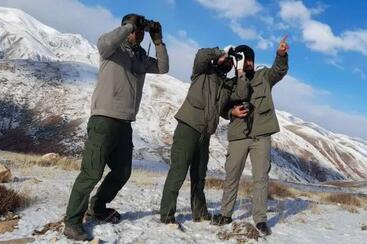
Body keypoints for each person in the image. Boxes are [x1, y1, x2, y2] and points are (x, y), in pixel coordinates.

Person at [63, 14, 169, 241]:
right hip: (103, 119)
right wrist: (131, 25)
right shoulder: (111, 49)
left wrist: (158, 41)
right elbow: (106, 43)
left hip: (125, 123)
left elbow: (163, 67)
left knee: (122, 171)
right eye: (133, 30)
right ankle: (72, 222)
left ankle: (97, 207)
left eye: (139, 32)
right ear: (125, 28)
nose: (136, 34)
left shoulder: (140, 57)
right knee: (92, 172)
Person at [160, 46, 249, 224]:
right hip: (188, 127)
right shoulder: (202, 71)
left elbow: (241, 94)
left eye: (231, 63)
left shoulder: (226, 85)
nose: (228, 63)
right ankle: (167, 214)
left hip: (205, 133)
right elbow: (201, 55)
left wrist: (240, 70)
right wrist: (222, 53)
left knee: (199, 175)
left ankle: (199, 212)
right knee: (178, 171)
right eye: (227, 60)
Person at [211, 37, 289, 237]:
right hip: (238, 135)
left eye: (249, 60)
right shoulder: (232, 82)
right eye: (244, 60)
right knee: (232, 176)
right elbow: (223, 108)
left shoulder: (264, 76)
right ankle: (225, 214)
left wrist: (281, 55)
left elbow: (279, 71)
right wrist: (232, 113)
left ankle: (260, 219)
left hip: (261, 136)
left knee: (261, 178)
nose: (248, 63)